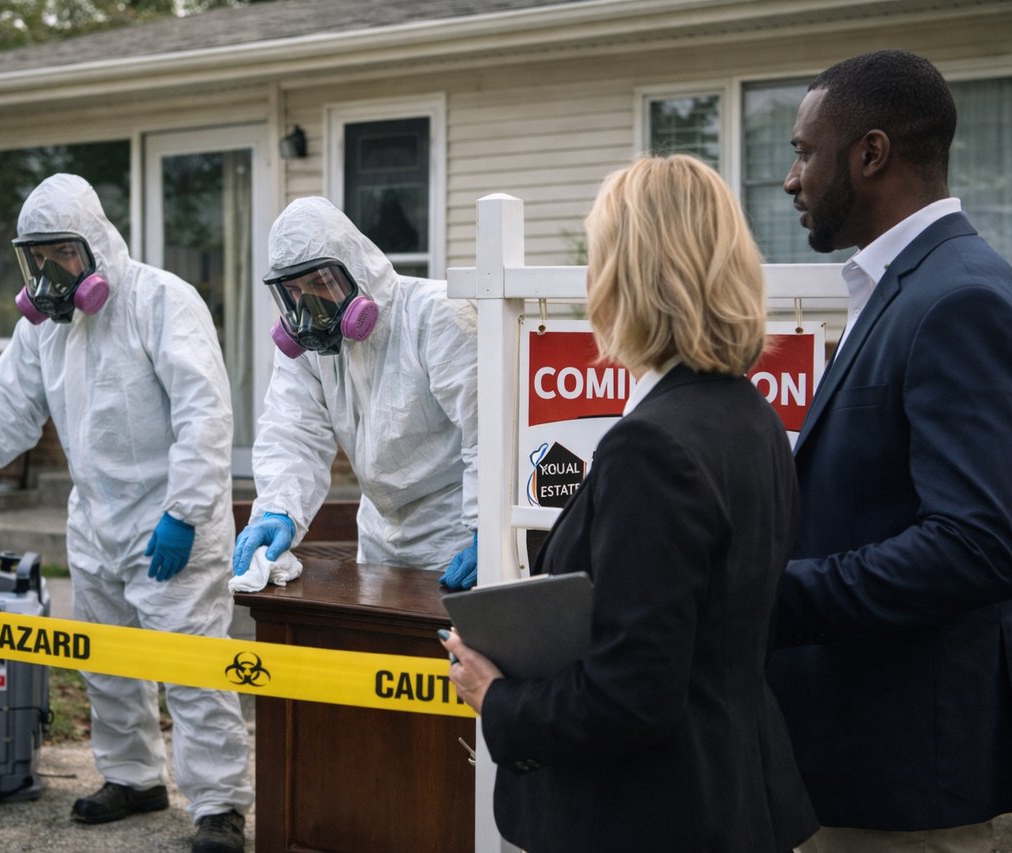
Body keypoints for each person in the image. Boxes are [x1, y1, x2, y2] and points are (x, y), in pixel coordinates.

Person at [441, 153, 817, 853]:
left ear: (628, 274)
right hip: (734, 794)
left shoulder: (653, 446)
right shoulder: (750, 414)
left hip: (649, 814)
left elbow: (631, 695)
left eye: (600, 252)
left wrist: (499, 698)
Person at [0, 173, 253, 853]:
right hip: (96, 521)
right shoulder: (44, 329)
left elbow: (204, 414)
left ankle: (218, 806)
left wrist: (184, 511)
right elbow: (4, 402)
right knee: (107, 661)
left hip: (170, 523)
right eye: (35, 258)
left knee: (192, 668)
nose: (48, 272)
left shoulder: (162, 302)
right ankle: (134, 778)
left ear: (94, 246)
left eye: (60, 254)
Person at [766, 49, 1012, 852]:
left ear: (870, 154)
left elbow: (974, 543)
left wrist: (769, 596)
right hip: (855, 773)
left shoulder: (959, 297)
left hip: (914, 794)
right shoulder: (905, 288)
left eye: (804, 151)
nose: (791, 179)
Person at [232, 196, 480, 589]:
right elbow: (292, 432)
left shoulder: (436, 316)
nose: (308, 302)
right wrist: (278, 510)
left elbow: (486, 432)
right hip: (378, 536)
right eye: (294, 289)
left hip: (455, 532)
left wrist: (490, 529)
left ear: (357, 269)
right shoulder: (308, 343)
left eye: (320, 283)